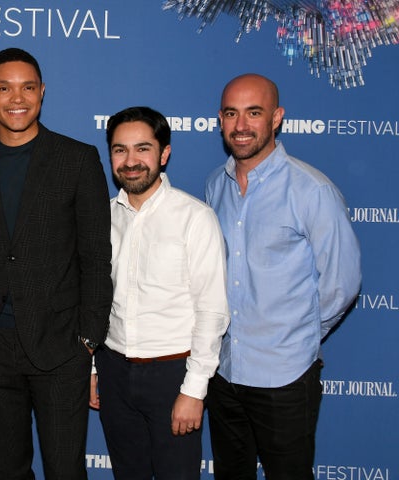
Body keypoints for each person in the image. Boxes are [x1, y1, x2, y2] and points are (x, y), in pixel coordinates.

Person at [0, 47, 113, 480]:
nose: (16, 98)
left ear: (42, 92)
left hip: (62, 347)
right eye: (4, 88)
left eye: (27, 87)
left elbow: (96, 257)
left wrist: (88, 342)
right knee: (6, 471)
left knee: (65, 470)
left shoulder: (77, 160)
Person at [204, 73, 362, 480]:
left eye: (253, 113)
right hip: (224, 371)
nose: (241, 126)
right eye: (231, 113)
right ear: (219, 119)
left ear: (276, 118)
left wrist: (297, 335)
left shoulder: (311, 190)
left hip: (286, 375)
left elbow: (341, 284)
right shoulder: (214, 186)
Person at [90, 106, 229, 480]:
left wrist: (194, 390)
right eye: (120, 150)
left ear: (164, 153)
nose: (131, 161)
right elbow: (93, 301)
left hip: (173, 376)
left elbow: (212, 311)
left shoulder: (195, 218)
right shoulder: (102, 218)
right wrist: (92, 368)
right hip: (114, 370)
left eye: (143, 149)